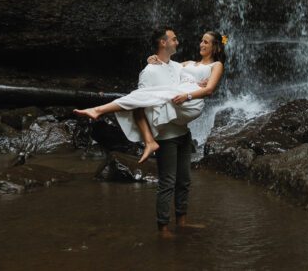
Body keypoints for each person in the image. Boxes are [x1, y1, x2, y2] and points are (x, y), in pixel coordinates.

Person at [73, 29, 226, 236]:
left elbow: (208, 89)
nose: (201, 44)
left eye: (206, 42)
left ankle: (182, 221)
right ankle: (163, 227)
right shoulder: (184, 65)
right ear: (163, 43)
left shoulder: (214, 65)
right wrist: (152, 59)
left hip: (186, 113)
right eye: (201, 40)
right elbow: (146, 97)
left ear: (215, 46)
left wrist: (190, 93)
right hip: (168, 133)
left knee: (184, 180)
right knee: (149, 97)